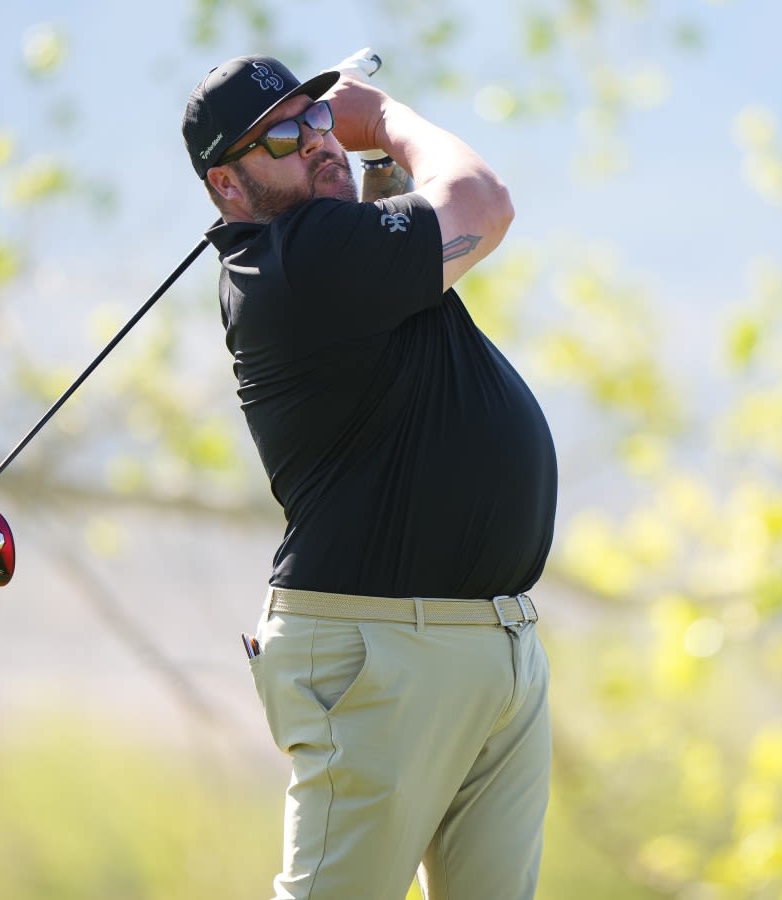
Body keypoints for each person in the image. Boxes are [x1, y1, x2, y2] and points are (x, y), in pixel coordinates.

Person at [182, 54, 558, 900]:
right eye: (281, 135)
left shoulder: (333, 249)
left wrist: (355, 155)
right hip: (378, 649)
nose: (316, 140)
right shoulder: (299, 260)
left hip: (491, 645)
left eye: (318, 116)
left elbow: (401, 218)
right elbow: (481, 205)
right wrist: (380, 117)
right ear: (228, 187)